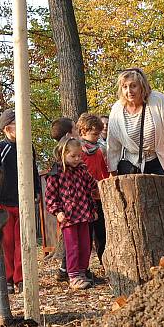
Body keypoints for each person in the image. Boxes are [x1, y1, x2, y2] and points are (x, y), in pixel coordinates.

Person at [0, 109, 40, 295]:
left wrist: (36, 190)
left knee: (23, 241)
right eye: (17, 124)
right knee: (6, 242)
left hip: (24, 201)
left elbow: (33, 170)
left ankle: (21, 278)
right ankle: (8, 279)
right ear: (7, 128)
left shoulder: (28, 146)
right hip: (4, 202)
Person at [44, 137, 99, 290]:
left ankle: (82, 272)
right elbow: (50, 197)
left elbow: (91, 187)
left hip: (83, 213)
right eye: (73, 156)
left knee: (85, 245)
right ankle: (73, 275)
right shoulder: (56, 173)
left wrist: (93, 209)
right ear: (63, 153)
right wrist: (57, 211)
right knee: (72, 247)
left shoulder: (82, 170)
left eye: (79, 156)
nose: (76, 159)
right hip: (68, 217)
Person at [106, 68, 164, 177]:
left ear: (142, 86)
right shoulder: (117, 109)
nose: (129, 91)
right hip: (134, 164)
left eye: (133, 86)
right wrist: (112, 171)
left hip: (162, 160)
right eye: (125, 87)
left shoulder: (158, 100)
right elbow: (113, 143)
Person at [76, 114, 109, 270]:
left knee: (101, 232)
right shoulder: (79, 153)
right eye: (94, 134)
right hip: (84, 199)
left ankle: (104, 263)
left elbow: (104, 172)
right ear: (83, 132)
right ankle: (84, 268)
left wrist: (105, 184)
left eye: (98, 134)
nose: (96, 137)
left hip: (98, 198)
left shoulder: (98, 151)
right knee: (86, 236)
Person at [49, 117, 76, 283]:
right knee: (71, 240)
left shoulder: (74, 162)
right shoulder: (59, 167)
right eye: (76, 130)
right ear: (69, 135)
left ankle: (68, 269)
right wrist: (58, 210)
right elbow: (52, 193)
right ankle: (67, 270)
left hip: (76, 208)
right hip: (67, 210)